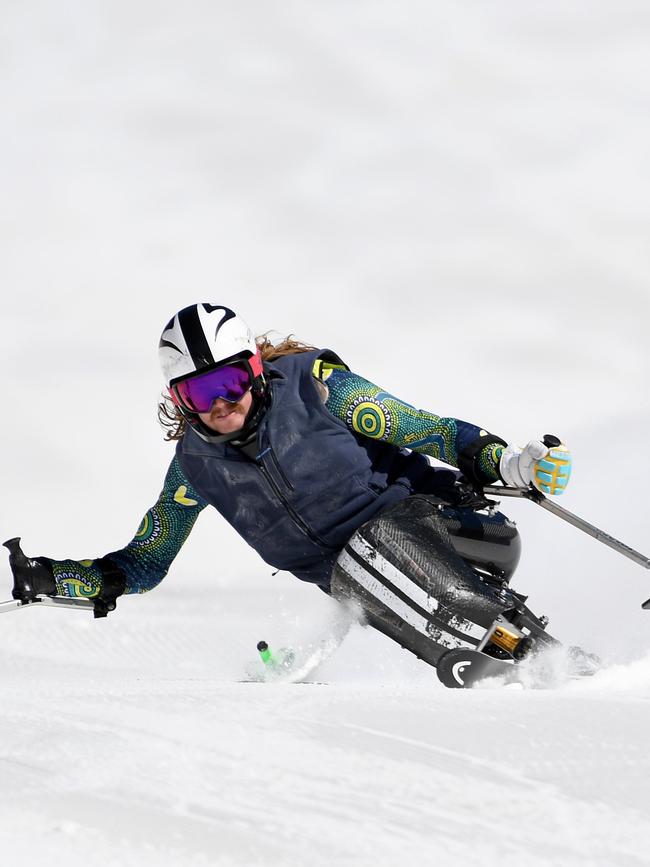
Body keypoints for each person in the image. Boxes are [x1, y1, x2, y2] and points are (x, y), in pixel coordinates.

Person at [6, 303, 573, 668]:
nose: (221, 404)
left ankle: (528, 649)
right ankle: (510, 660)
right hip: (383, 587)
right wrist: (61, 579)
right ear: (179, 400)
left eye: (230, 381)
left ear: (253, 370)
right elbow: (145, 563)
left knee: (367, 556)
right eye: (200, 395)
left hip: (459, 531)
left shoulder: (319, 390)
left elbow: (433, 432)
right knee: (354, 581)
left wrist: (507, 463)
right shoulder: (196, 469)